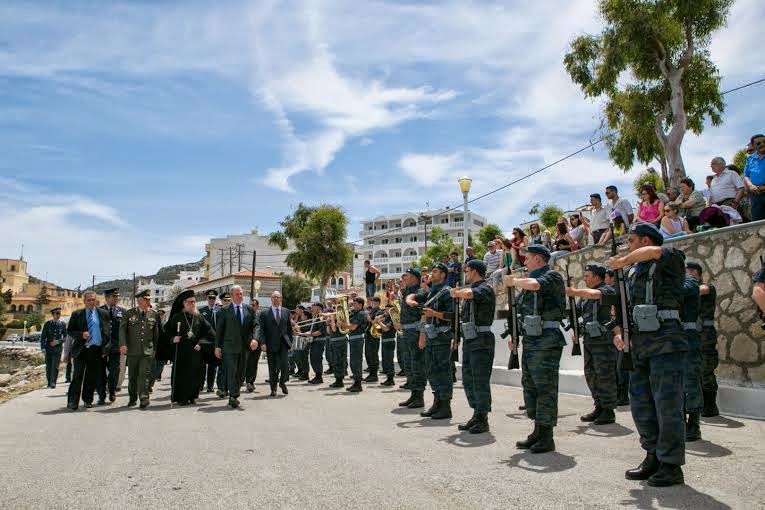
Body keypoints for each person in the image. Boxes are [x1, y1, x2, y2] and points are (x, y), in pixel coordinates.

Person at [608, 222, 687, 487]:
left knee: (667, 405)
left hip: (665, 342)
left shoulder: (670, 256)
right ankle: (652, 455)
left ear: (644, 241)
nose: (627, 247)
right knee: (641, 404)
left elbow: (655, 253)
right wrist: (619, 331)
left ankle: (671, 464)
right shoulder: (630, 273)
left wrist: (624, 260)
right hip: (639, 345)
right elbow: (621, 306)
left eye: (630, 241)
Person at [505, 245, 565, 452]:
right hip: (531, 341)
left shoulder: (551, 277)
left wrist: (514, 281)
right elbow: (519, 312)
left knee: (545, 387)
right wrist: (514, 334)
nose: (525, 262)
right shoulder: (527, 285)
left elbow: (535, 285)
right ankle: (538, 430)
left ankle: (547, 436)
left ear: (539, 259)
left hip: (547, 341)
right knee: (530, 386)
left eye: (528, 259)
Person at [566, 265, 618, 425]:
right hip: (589, 340)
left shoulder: (607, 290)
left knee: (604, 375)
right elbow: (578, 312)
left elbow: (596, 295)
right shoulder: (584, 296)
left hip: (603, 342)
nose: (585, 279)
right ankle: (599, 406)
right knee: (591, 374)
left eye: (587, 276)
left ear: (597, 277)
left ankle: (608, 410)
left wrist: (575, 291)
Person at [451, 259, 495, 434]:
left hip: (481, 339)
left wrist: (457, 293)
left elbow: (469, 294)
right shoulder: (471, 290)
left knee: (480, 379)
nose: (465, 274)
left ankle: (483, 418)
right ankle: (476, 413)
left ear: (475, 271)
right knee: (469, 379)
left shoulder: (484, 288)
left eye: (467, 271)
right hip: (470, 339)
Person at [418, 263, 455, 420]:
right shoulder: (431, 292)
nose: (431, 274)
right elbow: (425, 317)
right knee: (431, 370)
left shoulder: (447, 292)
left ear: (443, 275)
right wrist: (422, 335)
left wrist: (435, 313)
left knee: (443, 371)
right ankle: (437, 402)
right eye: (431, 271)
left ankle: (445, 406)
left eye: (435, 272)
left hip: (442, 337)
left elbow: (452, 315)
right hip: (431, 337)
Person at [66, 290, 111, 410]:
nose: (91, 302)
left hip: (96, 350)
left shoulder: (103, 314)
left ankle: (87, 400)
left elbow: (107, 334)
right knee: (77, 376)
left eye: (93, 300)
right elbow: (70, 331)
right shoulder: (77, 314)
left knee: (91, 377)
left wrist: (105, 350)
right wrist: (81, 334)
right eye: (89, 300)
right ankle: (72, 401)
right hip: (81, 349)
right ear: (84, 301)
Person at [685, 262, 719, 417]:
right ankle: (698, 406)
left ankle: (710, 406)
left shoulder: (707, 287)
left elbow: (701, 290)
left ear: (694, 273)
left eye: (687, 272)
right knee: (694, 371)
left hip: (705, 335)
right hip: (693, 335)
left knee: (706, 370)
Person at [215, 285, 256, 408]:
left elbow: (256, 326)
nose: (240, 296)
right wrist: (217, 346)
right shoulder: (224, 310)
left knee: (241, 373)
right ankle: (233, 396)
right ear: (232, 296)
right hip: (229, 346)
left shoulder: (249, 309)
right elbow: (219, 330)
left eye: (241, 294)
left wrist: (255, 339)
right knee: (232, 371)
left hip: (245, 347)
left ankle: (234, 393)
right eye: (237, 294)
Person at [118, 289, 159, 409]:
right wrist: (123, 344)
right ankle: (132, 398)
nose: (140, 303)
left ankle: (144, 398)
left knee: (144, 375)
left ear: (148, 301)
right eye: (139, 300)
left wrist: (155, 350)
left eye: (143, 300)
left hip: (147, 351)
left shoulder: (153, 314)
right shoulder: (129, 313)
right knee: (132, 376)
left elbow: (156, 334)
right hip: (132, 351)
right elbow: (122, 330)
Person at [398, 268, 429, 408]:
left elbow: (423, 314)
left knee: (417, 365)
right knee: (409, 365)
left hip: (415, 333)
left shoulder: (420, 292)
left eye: (408, 276)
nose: (405, 278)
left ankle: (419, 397)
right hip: (406, 333)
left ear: (415, 278)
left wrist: (422, 335)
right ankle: (413, 394)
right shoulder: (406, 291)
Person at [680, 262, 703, 442]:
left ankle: (694, 423)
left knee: (691, 380)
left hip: (688, 338)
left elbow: (683, 289)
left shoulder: (690, 281)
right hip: (672, 338)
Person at [254, 290, 292, 398]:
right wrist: (263, 343)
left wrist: (291, 342)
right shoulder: (265, 313)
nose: (276, 299)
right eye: (274, 297)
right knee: (273, 367)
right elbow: (261, 330)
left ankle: (282, 382)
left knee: (285, 365)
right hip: (270, 344)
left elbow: (289, 328)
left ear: (281, 299)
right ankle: (273, 388)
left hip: (284, 343)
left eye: (278, 297)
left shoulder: (286, 311)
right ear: (271, 299)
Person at [99, 288, 124, 403]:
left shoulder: (122, 312)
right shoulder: (98, 311)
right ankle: (101, 395)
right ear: (107, 298)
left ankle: (112, 390)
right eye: (114, 296)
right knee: (101, 372)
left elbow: (125, 330)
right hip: (101, 347)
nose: (116, 299)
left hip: (115, 347)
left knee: (114, 371)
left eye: (117, 296)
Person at [339, 297, 368, 393]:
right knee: (353, 362)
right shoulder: (355, 313)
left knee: (356, 362)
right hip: (353, 340)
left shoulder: (361, 314)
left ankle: (358, 384)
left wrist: (342, 324)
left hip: (357, 339)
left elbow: (353, 327)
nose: (353, 305)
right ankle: (356, 382)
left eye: (355, 303)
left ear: (360, 304)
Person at [198, 289, 220, 393]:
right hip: (204, 341)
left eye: (213, 298)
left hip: (215, 342)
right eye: (210, 298)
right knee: (202, 365)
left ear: (216, 299)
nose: (212, 300)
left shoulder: (220, 310)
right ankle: (200, 385)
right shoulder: (202, 311)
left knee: (213, 365)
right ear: (207, 299)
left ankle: (210, 386)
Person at [40, 307, 66, 389]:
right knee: (49, 366)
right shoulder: (47, 324)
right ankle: (48, 382)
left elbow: (66, 337)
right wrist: (43, 348)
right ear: (53, 315)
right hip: (48, 348)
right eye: (56, 314)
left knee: (55, 365)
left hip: (57, 348)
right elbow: (43, 337)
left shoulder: (62, 324)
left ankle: (53, 382)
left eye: (59, 314)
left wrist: (58, 341)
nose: (58, 315)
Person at [744, 133, 765, 221]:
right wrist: (751, 186)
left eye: (764, 142)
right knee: (757, 224)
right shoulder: (750, 159)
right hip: (755, 195)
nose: (762, 144)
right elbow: (746, 176)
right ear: (753, 146)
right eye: (758, 143)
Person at [305, 302, 326, 385]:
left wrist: (310, 334)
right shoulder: (315, 316)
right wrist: (303, 333)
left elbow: (321, 331)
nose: (311, 309)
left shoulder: (321, 316)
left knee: (316, 359)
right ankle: (317, 376)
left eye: (313, 307)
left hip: (319, 341)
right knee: (313, 358)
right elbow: (313, 330)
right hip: (315, 341)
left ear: (319, 308)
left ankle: (319, 376)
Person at [214, 291, 230, 398]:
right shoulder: (219, 313)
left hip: (232, 344)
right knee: (222, 367)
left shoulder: (233, 312)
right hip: (222, 344)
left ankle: (227, 388)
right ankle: (221, 388)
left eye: (229, 300)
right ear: (222, 301)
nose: (227, 302)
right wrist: (217, 346)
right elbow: (218, 331)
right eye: (225, 300)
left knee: (230, 368)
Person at [364, 296, 383, 383]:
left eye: (375, 302)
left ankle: (374, 375)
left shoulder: (379, 311)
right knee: (368, 354)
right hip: (368, 334)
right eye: (372, 302)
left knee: (373, 355)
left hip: (374, 335)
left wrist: (369, 319)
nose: (373, 304)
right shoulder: (371, 311)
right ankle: (371, 373)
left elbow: (376, 323)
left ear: (379, 303)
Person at [244, 298, 262, 391]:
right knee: (245, 362)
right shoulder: (246, 314)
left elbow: (262, 330)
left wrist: (262, 343)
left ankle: (250, 382)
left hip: (257, 343)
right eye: (250, 305)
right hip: (246, 343)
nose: (251, 307)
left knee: (254, 363)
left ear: (257, 306)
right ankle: (244, 380)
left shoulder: (261, 316)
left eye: (253, 305)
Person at [379, 302, 398, 386]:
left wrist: (379, 322)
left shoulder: (391, 318)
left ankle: (391, 379)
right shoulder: (386, 318)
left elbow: (386, 329)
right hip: (384, 341)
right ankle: (388, 378)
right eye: (385, 309)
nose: (385, 311)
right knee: (386, 360)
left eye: (387, 309)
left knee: (389, 360)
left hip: (389, 341)